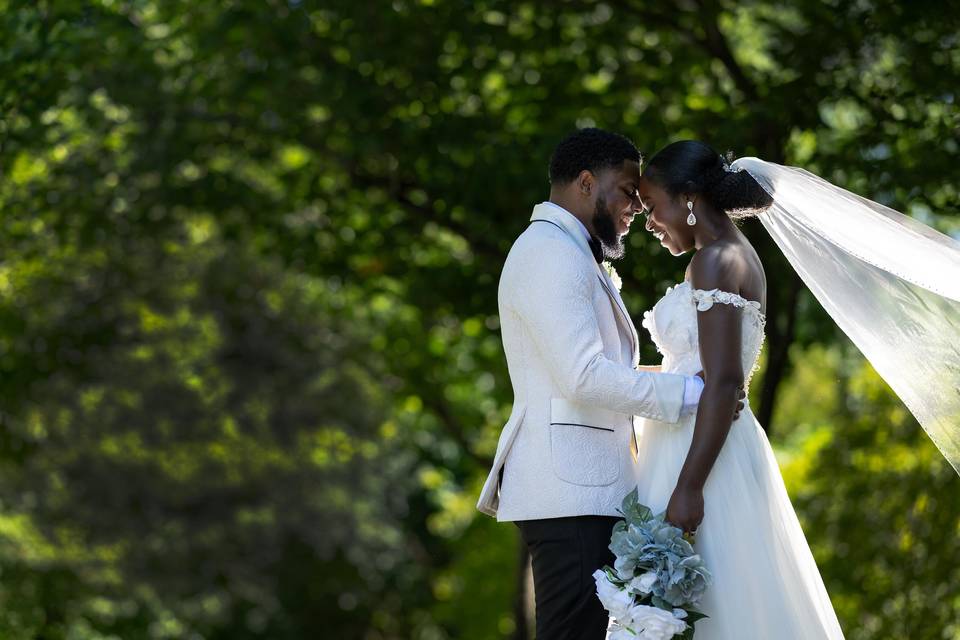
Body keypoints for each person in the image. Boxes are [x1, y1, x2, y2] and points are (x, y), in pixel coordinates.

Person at [476, 129, 718, 640]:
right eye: (628, 190)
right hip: (571, 492)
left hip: (584, 488)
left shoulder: (570, 250)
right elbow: (583, 376)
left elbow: (584, 369)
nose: (637, 205)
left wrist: (673, 377)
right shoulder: (549, 252)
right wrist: (692, 393)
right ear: (587, 182)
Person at [634, 140, 845, 639]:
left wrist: (688, 487)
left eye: (652, 207)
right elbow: (702, 373)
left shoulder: (713, 262)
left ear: (687, 199)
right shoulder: (733, 254)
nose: (649, 223)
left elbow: (725, 382)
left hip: (701, 458)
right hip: (699, 441)